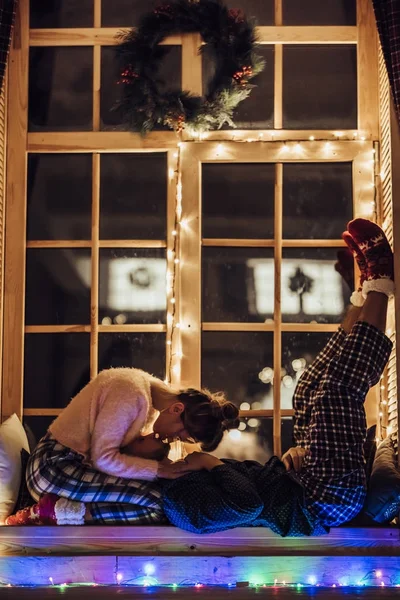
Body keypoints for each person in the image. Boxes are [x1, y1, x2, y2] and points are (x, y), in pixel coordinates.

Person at [160, 218, 394, 535]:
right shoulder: (181, 507)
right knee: (335, 391)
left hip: (306, 483)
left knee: (307, 388)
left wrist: (287, 461)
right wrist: (209, 462)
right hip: (324, 500)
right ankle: (381, 281)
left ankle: (365, 293)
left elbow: (257, 486)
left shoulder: (182, 486)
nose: (164, 446)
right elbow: (249, 506)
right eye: (152, 444)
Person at [5, 369, 238, 525]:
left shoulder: (144, 392)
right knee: (160, 502)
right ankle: (48, 514)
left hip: (67, 467)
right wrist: (159, 469)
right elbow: (104, 458)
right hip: (52, 468)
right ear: (176, 409)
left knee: (162, 498)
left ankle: (57, 511)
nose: (172, 439)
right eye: (179, 434)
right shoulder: (132, 393)